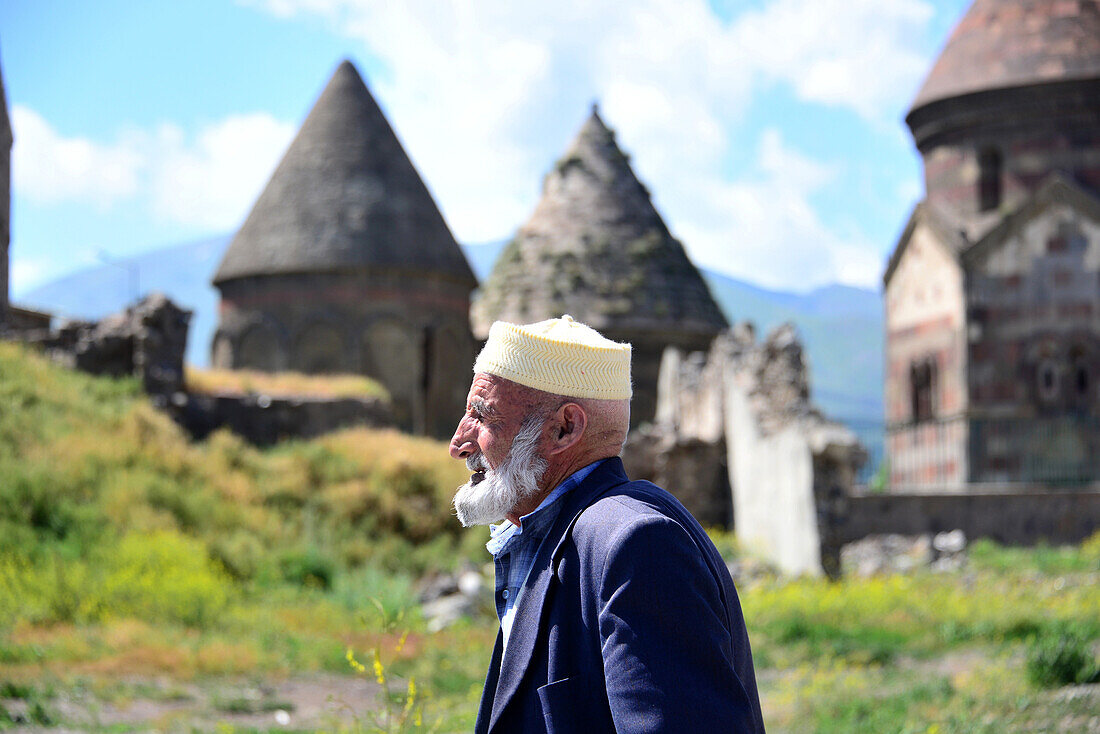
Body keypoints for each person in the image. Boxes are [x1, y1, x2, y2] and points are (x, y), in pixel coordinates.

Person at [449, 315, 766, 734]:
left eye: (482, 416)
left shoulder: (638, 545)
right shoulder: (558, 531)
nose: (458, 443)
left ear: (565, 428)